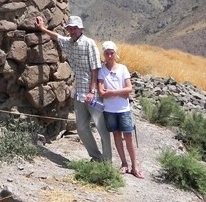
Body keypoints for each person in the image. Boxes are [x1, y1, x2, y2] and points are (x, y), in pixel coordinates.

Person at [35, 15, 112, 162]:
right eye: (70, 28)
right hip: (79, 92)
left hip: (92, 93)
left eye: (75, 28)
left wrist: (92, 91)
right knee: (82, 128)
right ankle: (96, 157)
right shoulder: (68, 42)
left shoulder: (89, 44)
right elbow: (57, 37)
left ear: (81, 29)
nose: (72, 31)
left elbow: (95, 69)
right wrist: (43, 29)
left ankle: (107, 161)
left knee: (101, 127)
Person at [97, 40, 144, 178]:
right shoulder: (102, 71)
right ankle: (124, 163)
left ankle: (135, 166)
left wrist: (111, 92)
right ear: (104, 55)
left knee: (128, 136)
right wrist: (120, 92)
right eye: (107, 54)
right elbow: (101, 91)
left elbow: (129, 89)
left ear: (115, 53)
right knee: (116, 135)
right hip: (109, 109)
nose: (109, 56)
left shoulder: (123, 68)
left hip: (123, 109)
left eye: (112, 53)